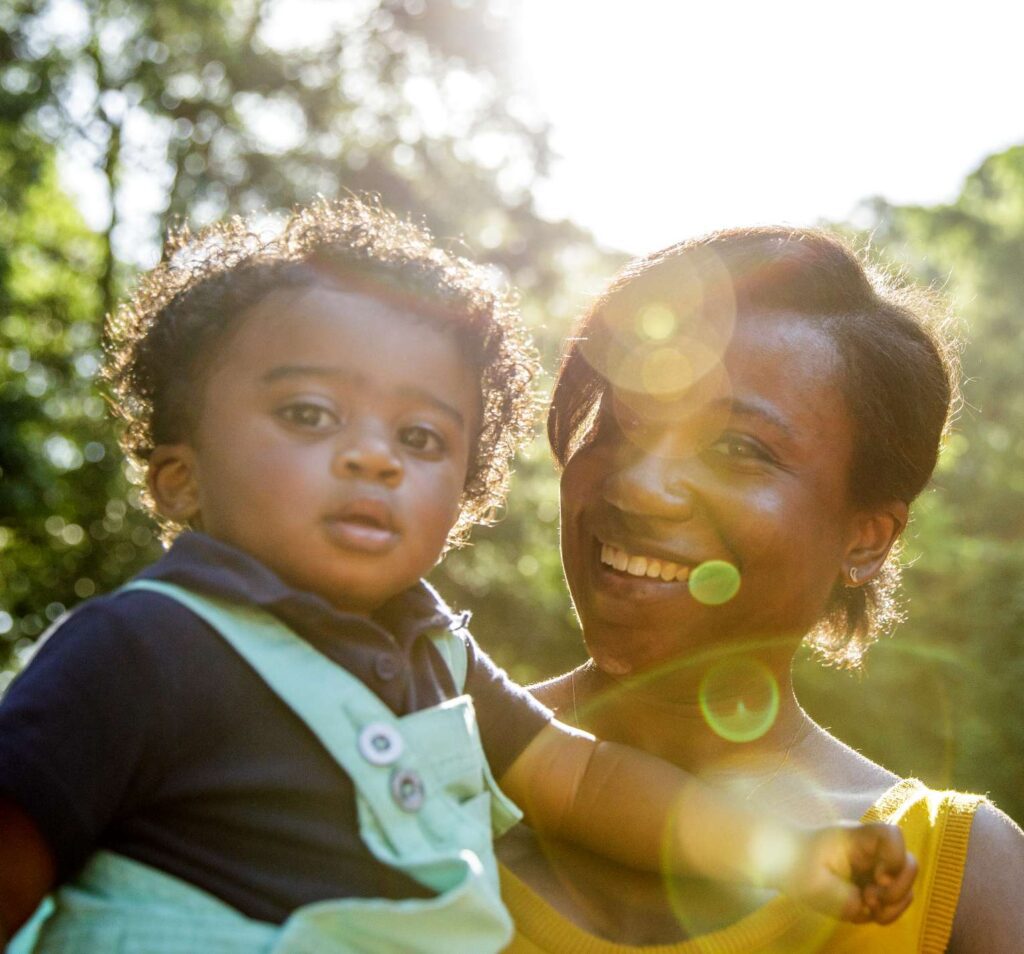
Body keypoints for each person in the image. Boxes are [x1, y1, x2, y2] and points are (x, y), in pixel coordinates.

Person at [0, 202, 913, 954]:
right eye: (310, 413)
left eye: (421, 438)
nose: (372, 458)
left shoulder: (441, 661)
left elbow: (590, 785)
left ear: (465, 493)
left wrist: (784, 851)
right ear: (181, 477)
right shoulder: (143, 647)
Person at [497, 226, 1024, 953]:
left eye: (739, 449)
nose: (639, 486)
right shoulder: (393, 750)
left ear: (866, 539)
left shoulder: (963, 881)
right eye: (623, 423)